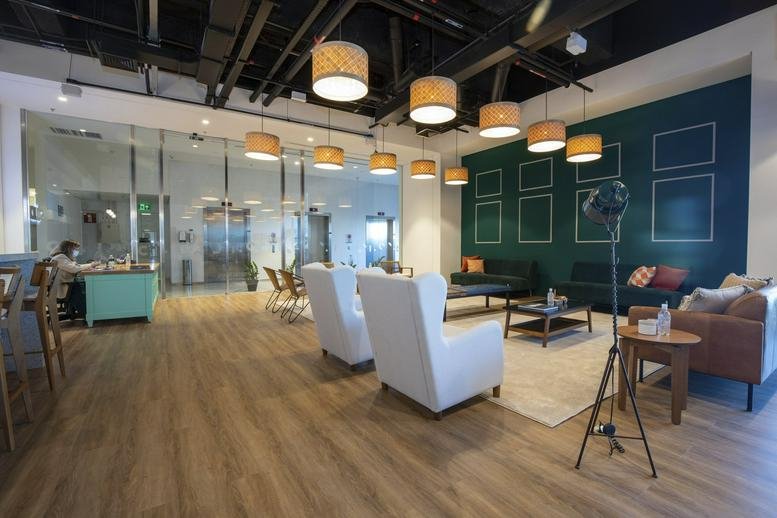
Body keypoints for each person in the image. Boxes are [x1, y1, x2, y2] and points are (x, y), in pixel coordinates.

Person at [49, 240, 98, 318]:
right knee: (81, 286)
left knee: (81, 283)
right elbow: (74, 269)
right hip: (62, 287)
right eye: (74, 249)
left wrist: (90, 265)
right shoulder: (59, 258)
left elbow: (77, 266)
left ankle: (87, 311)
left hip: (66, 284)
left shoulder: (64, 257)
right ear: (68, 249)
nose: (76, 251)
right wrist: (90, 265)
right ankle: (86, 314)